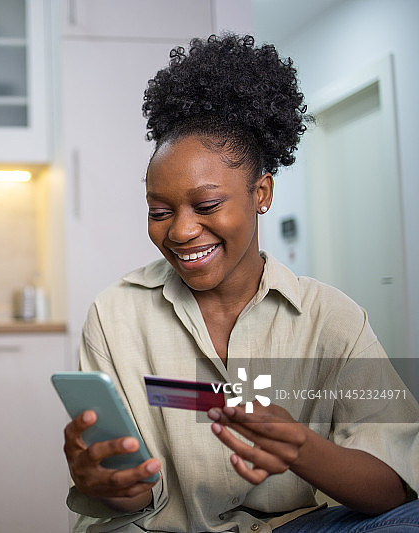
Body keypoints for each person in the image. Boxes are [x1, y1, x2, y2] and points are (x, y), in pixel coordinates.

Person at [62, 33, 419, 532]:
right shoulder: (116, 315)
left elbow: (394, 488)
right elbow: (136, 495)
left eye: (207, 206)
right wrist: (110, 482)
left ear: (262, 192)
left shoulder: (331, 320)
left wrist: (300, 446)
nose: (182, 231)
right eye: (159, 211)